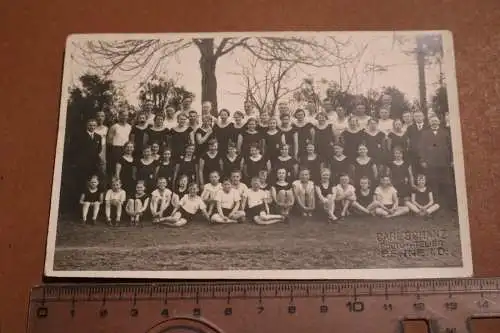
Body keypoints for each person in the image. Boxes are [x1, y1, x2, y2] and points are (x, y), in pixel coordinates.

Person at [417, 116, 454, 208]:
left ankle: (449, 204)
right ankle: (435, 203)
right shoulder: (425, 134)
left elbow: (451, 148)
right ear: (429, 123)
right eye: (432, 121)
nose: (434, 123)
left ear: (439, 122)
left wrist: (452, 160)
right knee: (433, 183)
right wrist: (423, 160)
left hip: (444, 163)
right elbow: (421, 148)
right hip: (430, 163)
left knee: (447, 183)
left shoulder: (445, 133)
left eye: (435, 121)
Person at [76, 118, 103, 191]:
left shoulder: (98, 137)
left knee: (93, 181)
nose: (92, 127)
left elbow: (99, 149)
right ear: (87, 126)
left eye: (94, 125)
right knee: (83, 182)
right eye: (90, 125)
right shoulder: (81, 136)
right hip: (83, 163)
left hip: (94, 163)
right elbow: (78, 150)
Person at [107, 110, 132, 179]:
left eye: (126, 115)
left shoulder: (129, 127)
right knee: (115, 170)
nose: (124, 117)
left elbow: (130, 139)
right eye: (123, 115)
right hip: (116, 149)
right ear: (119, 116)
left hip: (127, 150)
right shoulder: (114, 126)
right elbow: (109, 141)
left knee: (125, 169)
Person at [95, 111, 108, 175]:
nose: (100, 118)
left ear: (104, 118)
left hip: (103, 149)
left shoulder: (106, 129)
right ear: (96, 117)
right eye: (98, 116)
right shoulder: (93, 127)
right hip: (94, 149)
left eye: (102, 116)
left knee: (103, 168)